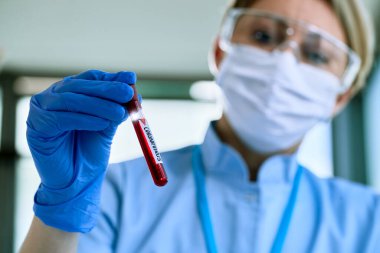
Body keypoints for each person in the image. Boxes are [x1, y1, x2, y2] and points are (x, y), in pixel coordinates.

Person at [20, 0, 380, 252]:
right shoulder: (113, 194)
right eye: (263, 37)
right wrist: (61, 216)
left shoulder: (369, 222)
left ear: (340, 97)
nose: (284, 62)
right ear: (220, 54)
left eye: (316, 55)